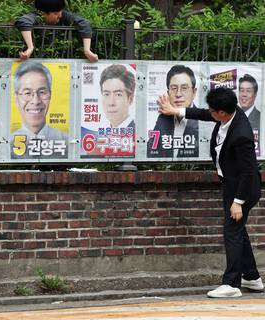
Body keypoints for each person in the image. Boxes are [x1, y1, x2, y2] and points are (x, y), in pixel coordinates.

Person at [158, 87, 263, 298]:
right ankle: (252, 278)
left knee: (232, 231)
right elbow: (205, 114)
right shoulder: (228, 114)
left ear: (222, 113)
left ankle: (232, 284)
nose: (210, 113)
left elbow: (249, 171)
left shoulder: (241, 135)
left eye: (213, 111)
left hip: (242, 189)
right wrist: (176, 110)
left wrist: (238, 202)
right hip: (231, 184)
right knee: (238, 230)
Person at [11, 61, 68, 158]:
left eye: (42, 92)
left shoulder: (66, 141)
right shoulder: (6, 144)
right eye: (27, 93)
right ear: (16, 98)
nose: (36, 101)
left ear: (50, 95)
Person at [15, 0, 98, 62]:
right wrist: (30, 48)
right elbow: (24, 21)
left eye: (61, 11)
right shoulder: (36, 16)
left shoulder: (63, 15)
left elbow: (84, 23)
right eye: (56, 13)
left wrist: (87, 50)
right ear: (43, 13)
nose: (60, 15)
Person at [147, 65, 199, 158]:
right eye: (174, 88)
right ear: (168, 93)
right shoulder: (163, 118)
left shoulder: (201, 119)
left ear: (194, 92)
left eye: (184, 88)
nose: (178, 94)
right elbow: (150, 151)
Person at [100, 64, 135, 128]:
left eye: (118, 95)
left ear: (130, 99)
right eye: (106, 94)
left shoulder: (138, 131)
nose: (111, 103)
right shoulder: (102, 133)